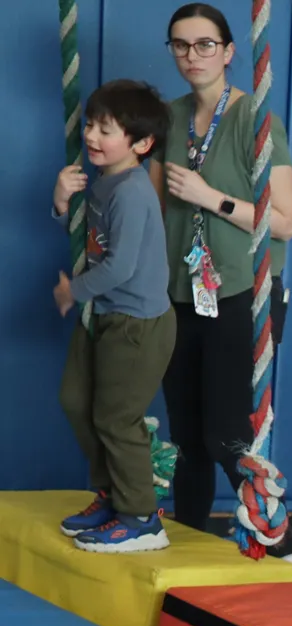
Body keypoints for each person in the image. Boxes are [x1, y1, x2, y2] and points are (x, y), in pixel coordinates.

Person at [154, 3, 292, 571]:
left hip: (241, 296)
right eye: (180, 45)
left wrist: (208, 196)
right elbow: (144, 203)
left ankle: (286, 553)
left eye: (204, 45)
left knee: (226, 437)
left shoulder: (253, 118)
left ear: (227, 51)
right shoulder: (168, 118)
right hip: (181, 294)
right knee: (187, 439)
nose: (192, 56)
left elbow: (286, 221)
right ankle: (187, 549)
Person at [52, 80, 176, 553]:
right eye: (90, 125)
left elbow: (120, 266)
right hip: (103, 313)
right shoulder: (105, 181)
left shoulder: (132, 192)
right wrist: (62, 201)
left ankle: (142, 516)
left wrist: (72, 291)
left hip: (137, 325)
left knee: (116, 419)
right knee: (75, 401)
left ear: (141, 144)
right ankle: (112, 493)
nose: (91, 136)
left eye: (106, 129)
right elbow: (90, 237)